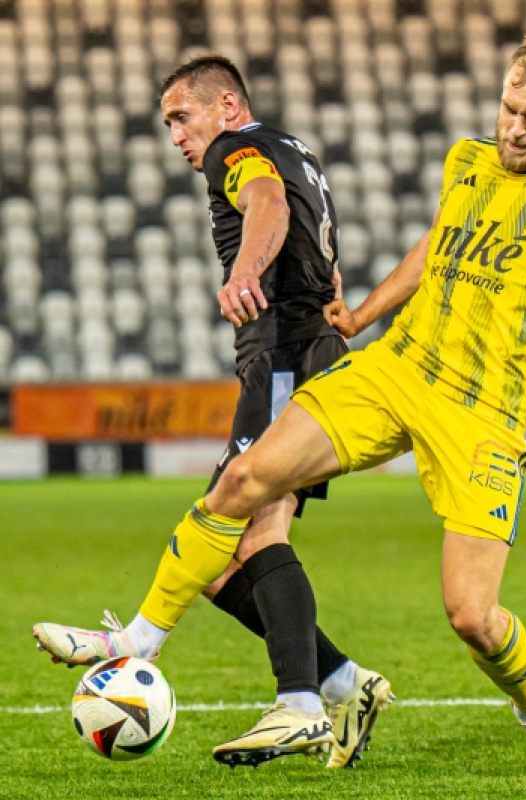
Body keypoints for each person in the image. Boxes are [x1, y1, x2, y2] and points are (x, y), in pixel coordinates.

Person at [35, 36, 526, 772]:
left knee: (471, 615)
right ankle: (141, 640)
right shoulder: (468, 161)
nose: (514, 129)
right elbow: (440, 245)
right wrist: (365, 316)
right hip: (396, 371)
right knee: (241, 484)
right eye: (508, 109)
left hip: (482, 412)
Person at [33, 55, 393, 770]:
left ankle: (294, 703)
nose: (176, 136)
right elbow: (319, 247)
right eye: (169, 123)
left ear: (226, 105)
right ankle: (344, 683)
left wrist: (243, 272)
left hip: (287, 356)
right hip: (298, 352)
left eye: (181, 117)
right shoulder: (298, 151)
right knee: (224, 565)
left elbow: (267, 204)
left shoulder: (238, 151)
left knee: (252, 524)